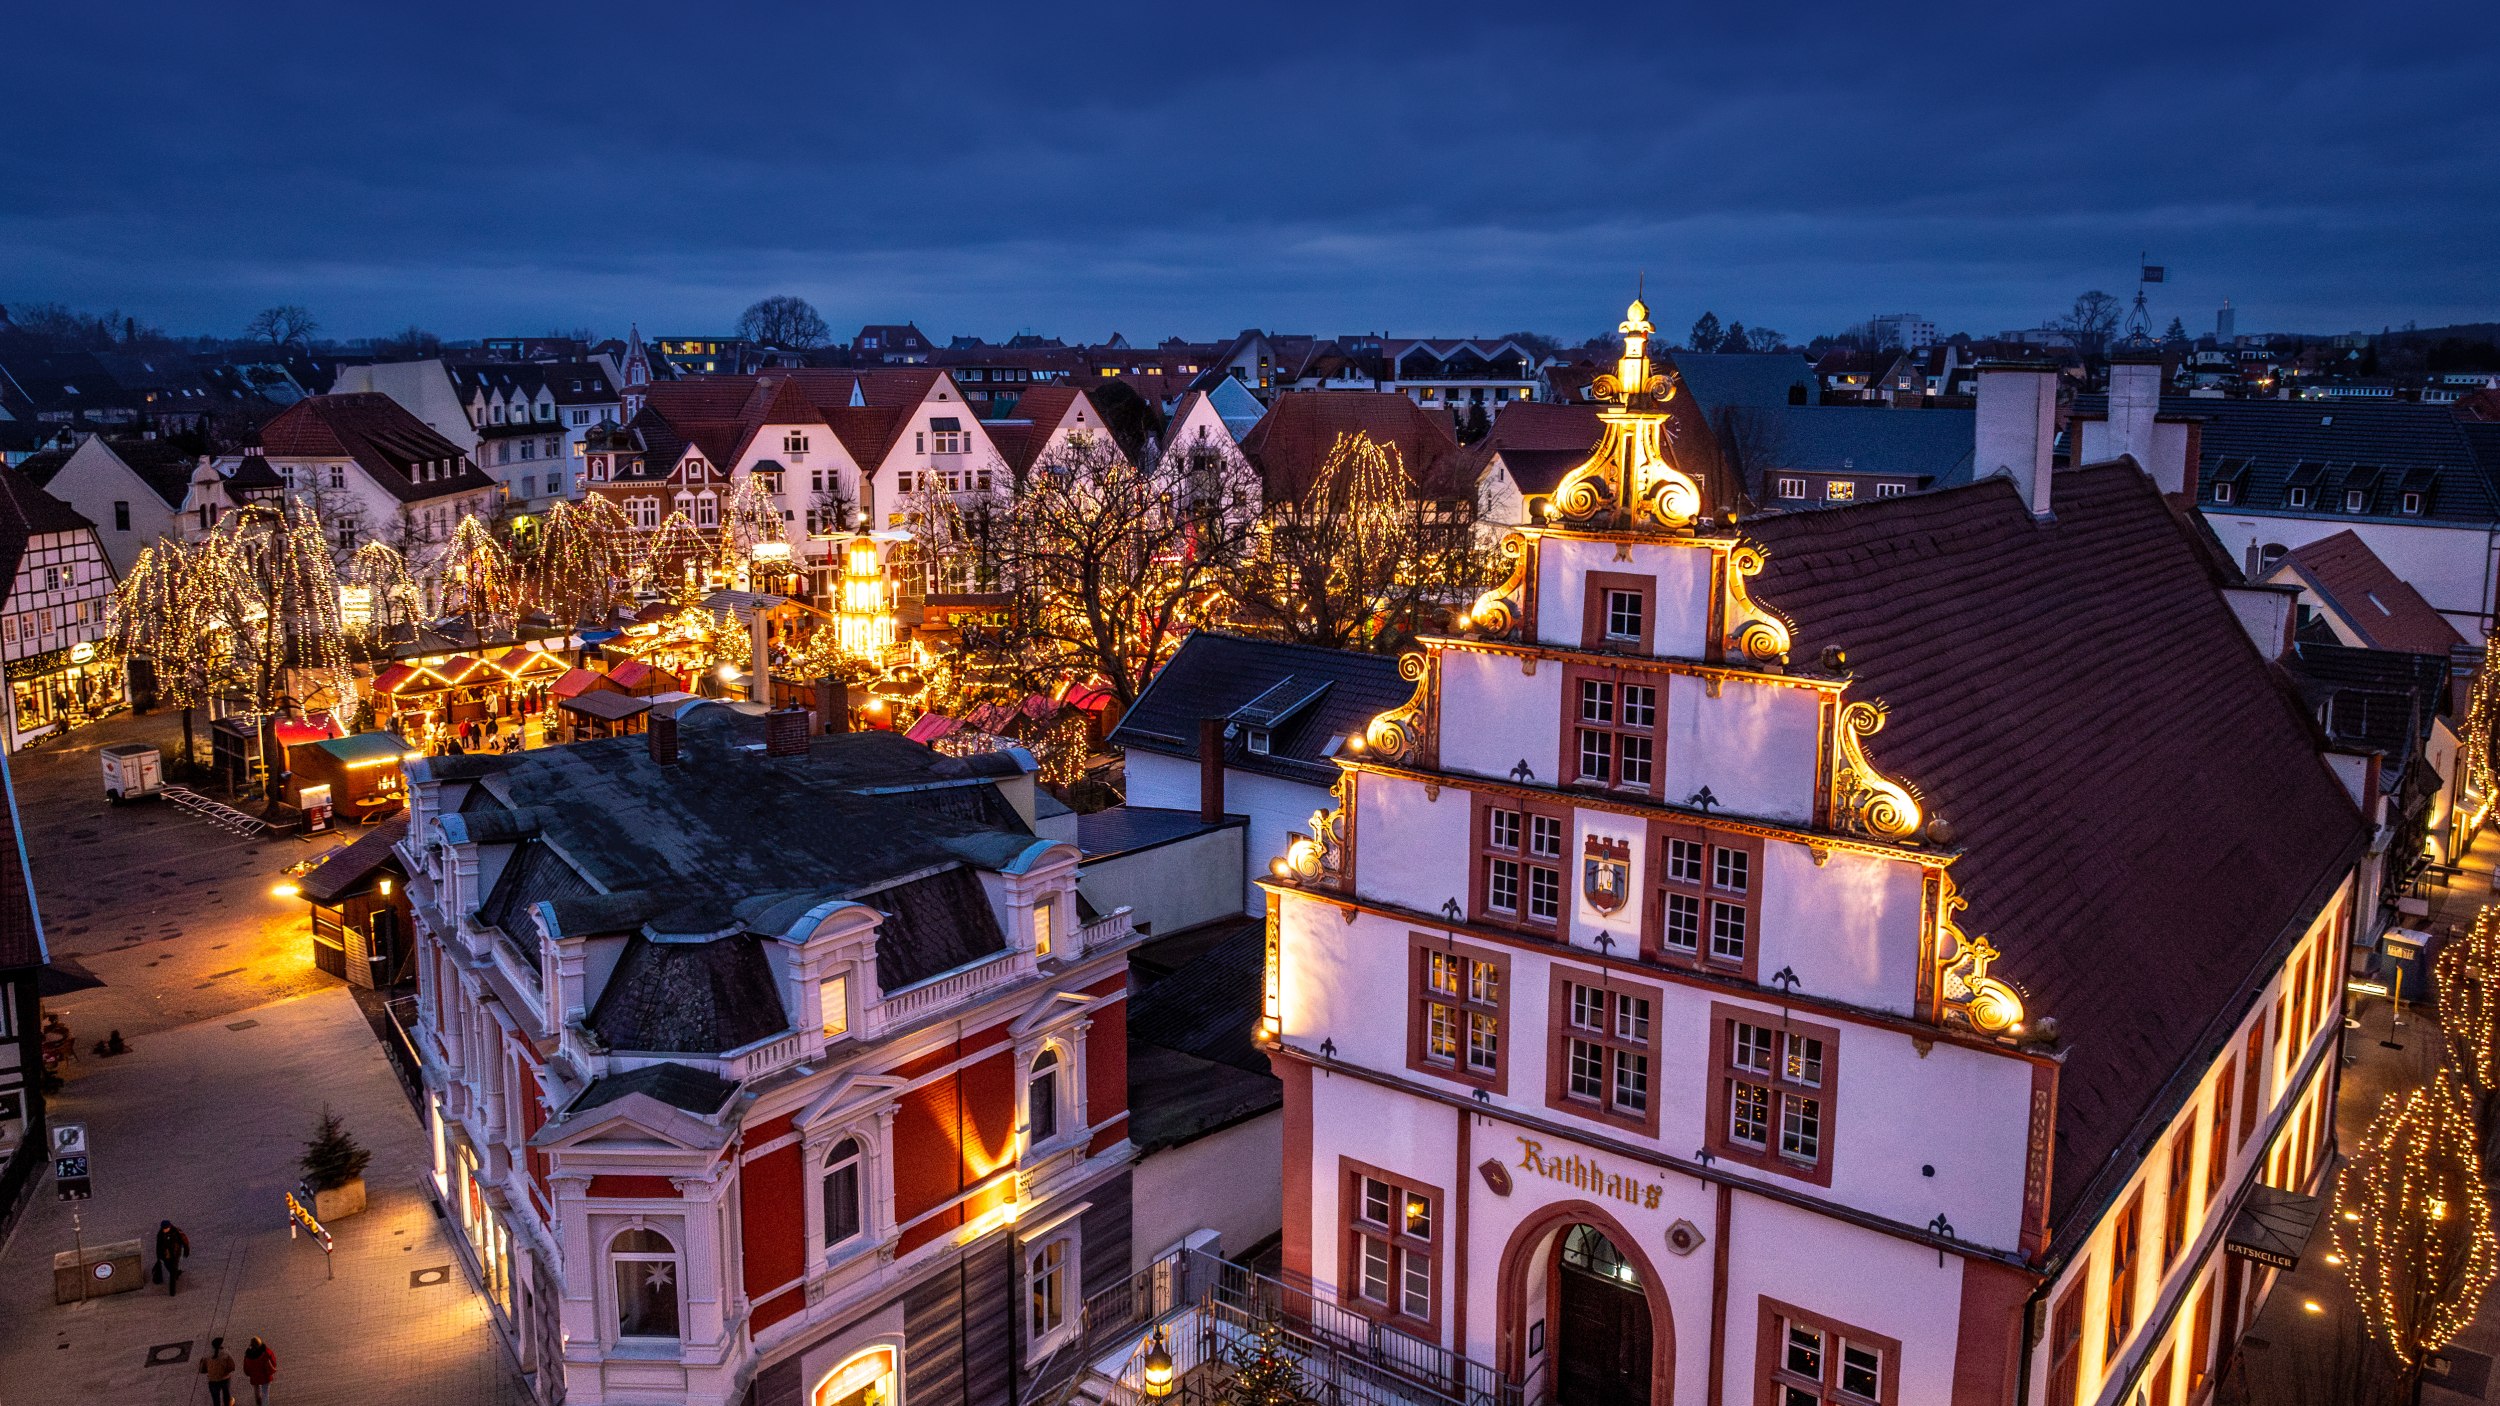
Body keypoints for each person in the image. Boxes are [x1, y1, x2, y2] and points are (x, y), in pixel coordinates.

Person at [153, 1219, 190, 1296]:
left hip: (175, 1254)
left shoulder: (176, 1231)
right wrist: (158, 1257)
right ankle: (176, 1273)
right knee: (169, 1267)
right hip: (165, 1255)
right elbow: (158, 1246)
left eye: (166, 1228)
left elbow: (184, 1240)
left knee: (172, 1271)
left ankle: (172, 1292)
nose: (165, 1230)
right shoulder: (160, 1234)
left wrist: (186, 1249)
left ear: (170, 1227)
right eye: (164, 1228)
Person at [199, 1337, 237, 1405]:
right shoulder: (226, 1353)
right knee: (226, 1396)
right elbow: (232, 1366)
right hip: (225, 1379)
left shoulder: (207, 1355)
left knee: (216, 1400)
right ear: (221, 1345)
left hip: (213, 1381)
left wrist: (211, 1371)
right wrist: (225, 1372)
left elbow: (202, 1369)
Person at [242, 1337, 278, 1404]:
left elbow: (246, 1368)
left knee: (256, 1391)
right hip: (265, 1376)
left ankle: (258, 1403)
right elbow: (273, 1362)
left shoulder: (248, 1355)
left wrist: (249, 1373)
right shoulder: (266, 1352)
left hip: (255, 1377)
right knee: (265, 1393)